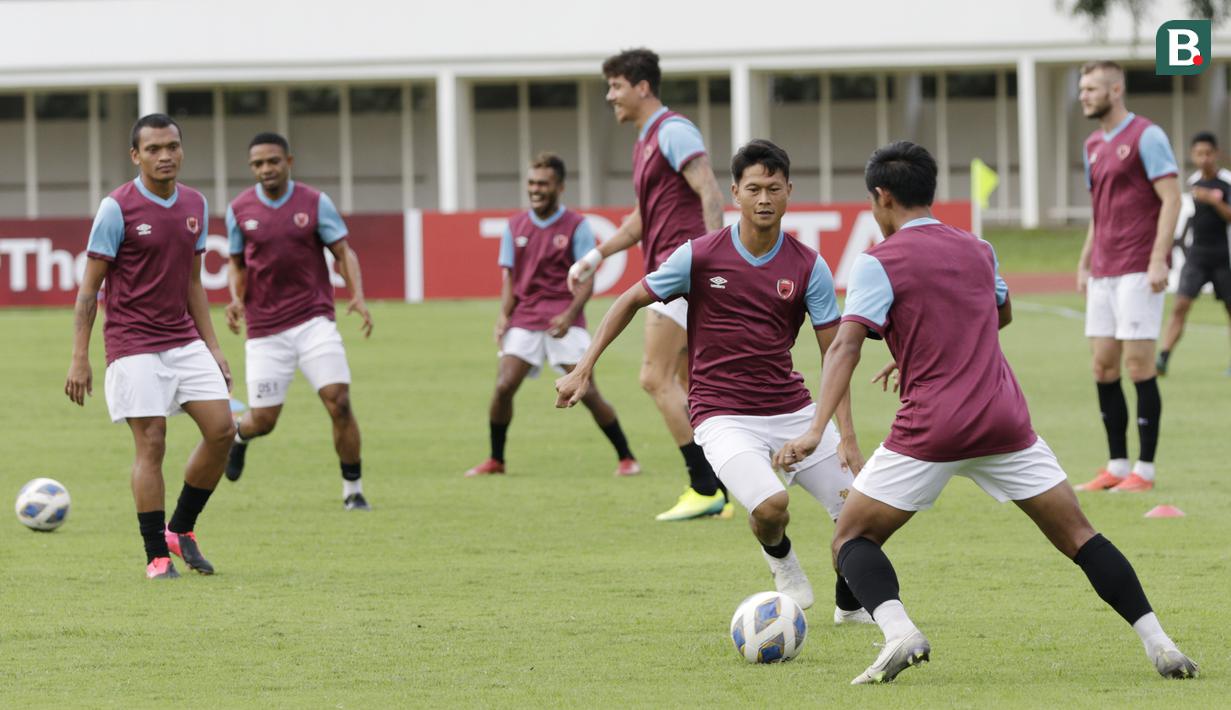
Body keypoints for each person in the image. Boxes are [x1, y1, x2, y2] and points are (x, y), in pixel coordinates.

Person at [775, 140, 1198, 684]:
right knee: (1080, 536)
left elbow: (845, 347)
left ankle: (900, 632)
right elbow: (1002, 312)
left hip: (932, 428)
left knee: (850, 539)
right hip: (1004, 422)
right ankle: (1160, 644)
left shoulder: (877, 261)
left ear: (881, 198)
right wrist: (931, 352)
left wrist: (816, 430)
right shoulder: (978, 248)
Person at [557, 140, 872, 623]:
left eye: (773, 188)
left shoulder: (810, 266)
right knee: (771, 507)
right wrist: (584, 367)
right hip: (722, 416)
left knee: (860, 517)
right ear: (735, 194)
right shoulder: (699, 255)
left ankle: (849, 606)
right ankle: (782, 562)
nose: (764, 198)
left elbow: (837, 354)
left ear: (790, 191)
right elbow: (629, 300)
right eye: (754, 189)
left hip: (793, 409)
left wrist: (844, 435)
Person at [64, 113, 235, 579]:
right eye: (154, 149)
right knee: (152, 443)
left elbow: (194, 283)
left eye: (172, 147)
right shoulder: (116, 209)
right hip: (132, 343)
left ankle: (181, 528)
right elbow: (88, 290)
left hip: (182, 338)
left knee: (223, 430)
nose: (165, 156)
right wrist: (80, 357)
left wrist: (214, 347)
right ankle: (156, 554)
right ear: (135, 155)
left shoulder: (196, 203)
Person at [568, 48, 731, 521]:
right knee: (688, 384)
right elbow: (645, 218)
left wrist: (713, 259)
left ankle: (704, 488)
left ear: (642, 87)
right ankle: (724, 485)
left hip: (680, 272)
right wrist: (596, 255)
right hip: (675, 269)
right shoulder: (645, 142)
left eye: (616, 86)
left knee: (653, 377)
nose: (610, 96)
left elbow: (710, 190)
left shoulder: (673, 131)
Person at [223, 132, 374, 511]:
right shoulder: (239, 209)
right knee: (264, 421)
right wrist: (236, 300)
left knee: (338, 402)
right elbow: (237, 263)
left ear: (289, 161)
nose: (266, 169)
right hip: (265, 330)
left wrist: (357, 294)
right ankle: (239, 435)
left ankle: (352, 490)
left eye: (273, 161)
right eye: (258, 163)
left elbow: (343, 251)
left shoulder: (315, 203)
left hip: (313, 320)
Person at [465, 153, 639, 478]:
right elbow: (510, 279)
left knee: (586, 392)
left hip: (564, 321)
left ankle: (626, 457)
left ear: (559, 187)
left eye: (543, 183)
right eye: (531, 183)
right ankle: (496, 460)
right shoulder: (515, 226)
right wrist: (504, 316)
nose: (535, 189)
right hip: (525, 319)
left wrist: (570, 313)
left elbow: (587, 280)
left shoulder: (576, 226)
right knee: (504, 386)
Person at [1074, 60, 1181, 493]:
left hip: (1139, 268)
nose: (1084, 95)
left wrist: (1159, 259)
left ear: (1116, 90)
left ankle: (1146, 471)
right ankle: (1116, 465)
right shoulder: (1092, 145)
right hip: (1103, 271)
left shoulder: (1147, 136)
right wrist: (1084, 261)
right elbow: (1099, 212)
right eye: (1082, 89)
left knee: (1139, 365)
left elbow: (1172, 200)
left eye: (1092, 88)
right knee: (1103, 366)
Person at [1158, 131, 1231, 376]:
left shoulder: (1226, 182)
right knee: (1180, 305)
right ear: (1193, 155)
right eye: (1199, 154)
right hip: (1197, 256)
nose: (1204, 158)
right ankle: (1164, 357)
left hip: (1223, 257)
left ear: (1216, 153)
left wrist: (1212, 200)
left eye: (1208, 153)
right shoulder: (1192, 182)